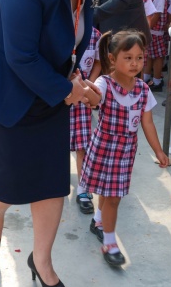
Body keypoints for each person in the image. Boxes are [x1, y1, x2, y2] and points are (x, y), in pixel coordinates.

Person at [0, 0, 138, 286]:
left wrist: (77, 81)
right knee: (10, 180)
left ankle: (41, 262)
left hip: (51, 93)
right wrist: (68, 90)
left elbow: (66, 46)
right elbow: (21, 55)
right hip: (10, 92)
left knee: (51, 181)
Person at [81, 30, 168, 266]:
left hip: (125, 153)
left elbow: (147, 123)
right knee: (112, 196)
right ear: (112, 59)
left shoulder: (143, 89)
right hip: (104, 148)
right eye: (128, 58)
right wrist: (85, 90)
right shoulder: (104, 83)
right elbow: (95, 100)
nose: (134, 63)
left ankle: (98, 221)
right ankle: (110, 243)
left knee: (110, 194)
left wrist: (159, 151)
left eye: (139, 58)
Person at [71, 26, 102, 215]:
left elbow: (98, 62)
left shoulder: (95, 35)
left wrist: (87, 85)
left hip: (83, 98)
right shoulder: (59, 28)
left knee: (83, 145)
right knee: (55, 143)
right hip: (61, 95)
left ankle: (83, 189)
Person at [142, 0, 170, 91]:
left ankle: (157, 80)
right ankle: (146, 77)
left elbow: (156, 14)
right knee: (149, 55)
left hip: (156, 31)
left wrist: (147, 27)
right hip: (151, 30)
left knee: (158, 57)